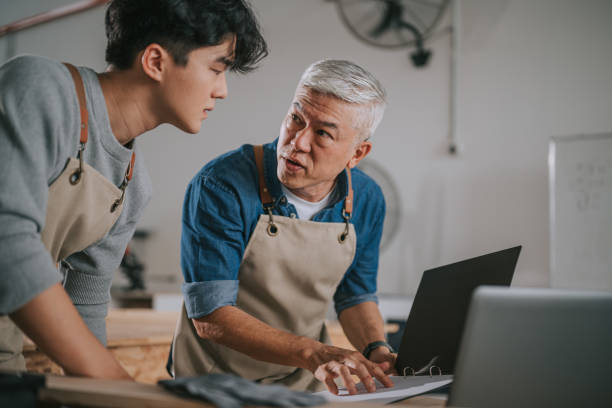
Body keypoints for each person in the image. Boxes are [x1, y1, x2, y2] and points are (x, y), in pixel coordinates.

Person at [0, 0, 267, 379]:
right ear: (155, 62)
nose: (222, 91)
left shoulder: (133, 185)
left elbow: (85, 304)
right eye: (216, 69)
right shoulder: (40, 88)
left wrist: (110, 395)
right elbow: (8, 242)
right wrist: (117, 382)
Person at [171, 59, 396, 394]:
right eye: (296, 119)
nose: (298, 142)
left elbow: (355, 295)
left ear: (357, 153)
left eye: (322, 133)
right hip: (216, 381)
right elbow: (210, 315)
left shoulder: (366, 199)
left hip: (305, 380)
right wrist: (315, 352)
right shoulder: (221, 186)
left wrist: (376, 350)